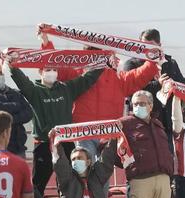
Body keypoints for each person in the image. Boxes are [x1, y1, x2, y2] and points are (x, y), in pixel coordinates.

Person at [39, 25, 159, 159]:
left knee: (100, 175)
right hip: (84, 132)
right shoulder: (78, 74)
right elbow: (54, 67)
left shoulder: (118, 79)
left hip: (107, 134)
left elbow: (140, 75)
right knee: (86, 171)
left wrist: (153, 58)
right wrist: (46, 42)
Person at [8, 58, 103, 195]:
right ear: (40, 72)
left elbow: (87, 79)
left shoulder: (67, 88)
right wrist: (13, 67)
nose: (51, 72)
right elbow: (22, 81)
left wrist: (103, 64)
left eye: (54, 69)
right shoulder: (34, 91)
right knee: (37, 185)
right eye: (48, 70)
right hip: (43, 144)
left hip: (66, 143)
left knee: (69, 183)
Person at [122, 90, 174, 198]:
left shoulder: (158, 124)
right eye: (135, 104)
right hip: (140, 179)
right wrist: (127, 163)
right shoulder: (124, 123)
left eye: (142, 103)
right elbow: (108, 145)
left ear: (151, 106)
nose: (138, 106)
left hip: (163, 179)